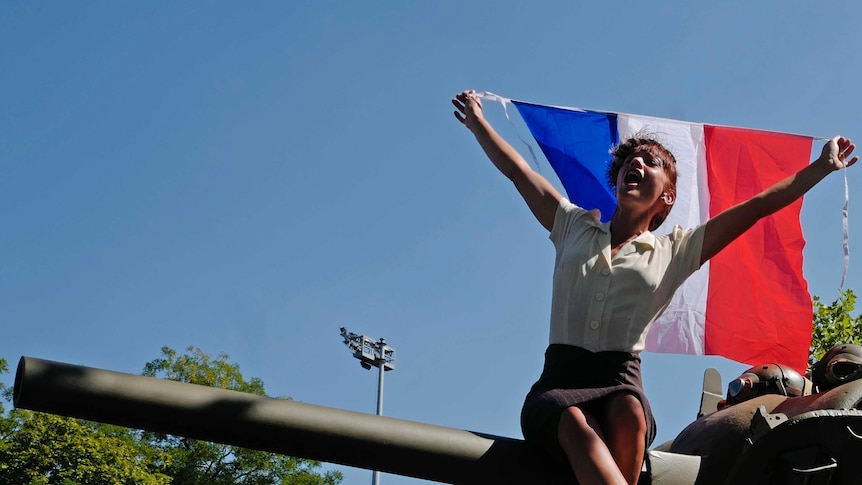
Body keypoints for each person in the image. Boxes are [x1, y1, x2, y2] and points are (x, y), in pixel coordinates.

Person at [451, 89, 857, 485]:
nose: (637, 163)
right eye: (631, 160)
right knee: (576, 429)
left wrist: (820, 168)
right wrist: (478, 124)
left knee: (629, 414)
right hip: (560, 380)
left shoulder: (676, 251)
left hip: (621, 380)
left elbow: (755, 208)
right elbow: (518, 171)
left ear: (667, 197)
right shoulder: (572, 225)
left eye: (651, 161)